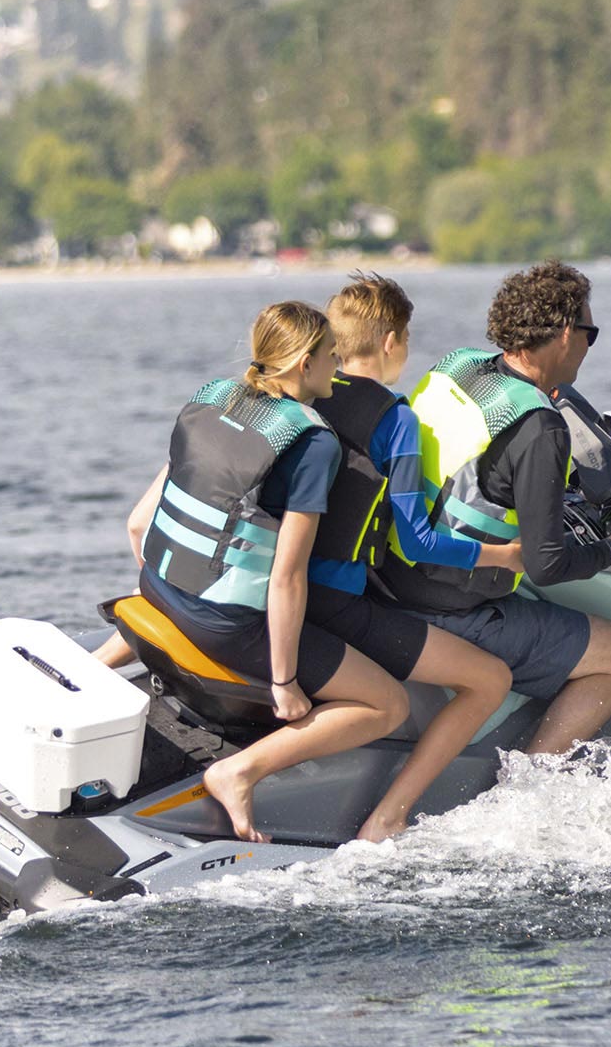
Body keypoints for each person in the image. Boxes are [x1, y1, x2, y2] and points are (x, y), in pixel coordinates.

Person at [111, 299, 423, 842]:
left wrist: (167, 582)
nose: (339, 365)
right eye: (331, 356)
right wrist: (284, 684)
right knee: (387, 703)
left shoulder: (214, 396)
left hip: (156, 585)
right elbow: (286, 579)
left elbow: (139, 522)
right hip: (224, 622)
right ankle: (239, 772)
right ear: (305, 363)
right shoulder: (312, 443)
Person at [371, 260, 611, 761]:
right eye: (591, 332)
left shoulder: (458, 366)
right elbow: (548, 566)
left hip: (389, 574)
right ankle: (529, 784)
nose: (589, 345)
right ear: (566, 333)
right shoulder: (540, 428)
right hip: (449, 604)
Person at [309, 272, 517, 842]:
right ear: (392, 342)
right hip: (338, 602)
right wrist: (506, 554)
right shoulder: (394, 419)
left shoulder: (304, 393)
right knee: (488, 680)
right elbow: (418, 540)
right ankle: (389, 817)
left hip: (288, 590)